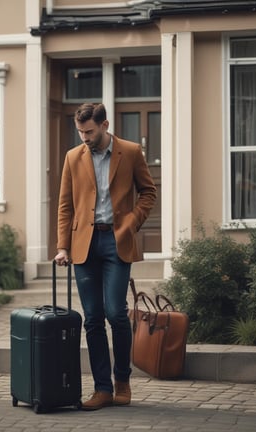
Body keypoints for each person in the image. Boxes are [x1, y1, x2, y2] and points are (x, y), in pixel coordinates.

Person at [55, 103, 157, 411]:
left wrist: (131, 222)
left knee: (115, 313)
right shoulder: (73, 157)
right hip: (84, 244)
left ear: (104, 125)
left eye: (89, 131)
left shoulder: (130, 151)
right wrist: (62, 247)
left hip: (116, 242)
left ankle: (122, 381)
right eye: (80, 132)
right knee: (93, 319)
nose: (84, 137)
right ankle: (101, 389)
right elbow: (65, 206)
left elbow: (148, 193)